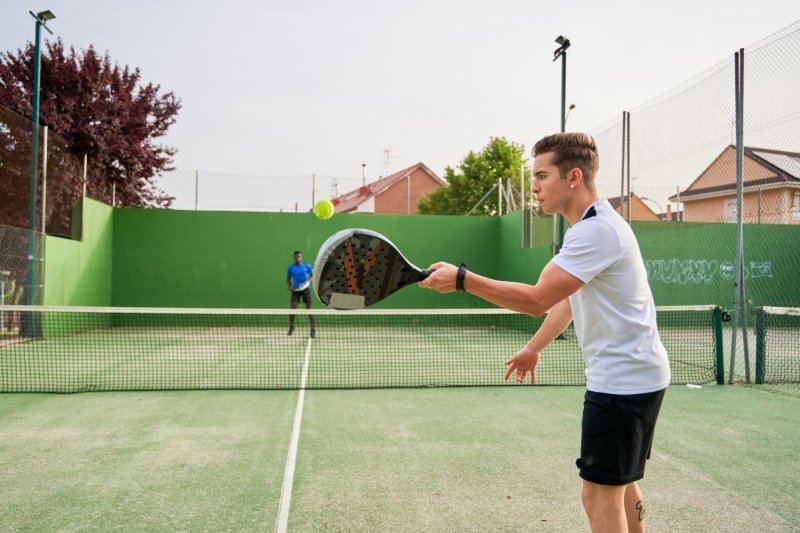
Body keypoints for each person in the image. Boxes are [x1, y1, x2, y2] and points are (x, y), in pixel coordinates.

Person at [420, 132, 669, 533]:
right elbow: (567, 301)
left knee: (598, 495)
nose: (533, 187)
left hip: (621, 386)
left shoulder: (596, 231)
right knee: (622, 485)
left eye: (541, 176)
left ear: (573, 176)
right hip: (642, 376)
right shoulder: (593, 226)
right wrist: (535, 347)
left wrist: (463, 279)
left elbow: (537, 299)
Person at [286, 250, 316, 338]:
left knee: (309, 309)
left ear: (301, 257)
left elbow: (313, 275)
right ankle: (292, 326)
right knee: (293, 307)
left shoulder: (307, 266)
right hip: (296, 290)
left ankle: (313, 329)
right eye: (296, 257)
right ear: (294, 257)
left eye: (299, 256)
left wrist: (309, 281)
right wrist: (290, 287)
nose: (297, 258)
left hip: (306, 289)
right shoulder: (291, 267)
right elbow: (288, 279)